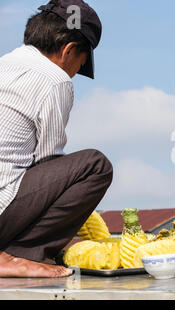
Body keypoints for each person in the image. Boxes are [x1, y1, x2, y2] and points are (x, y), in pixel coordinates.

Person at [0, 0, 112, 278]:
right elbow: (47, 160)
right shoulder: (55, 79)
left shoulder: (4, 64)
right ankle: (18, 255)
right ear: (69, 50)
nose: (74, 73)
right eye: (79, 65)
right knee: (95, 166)